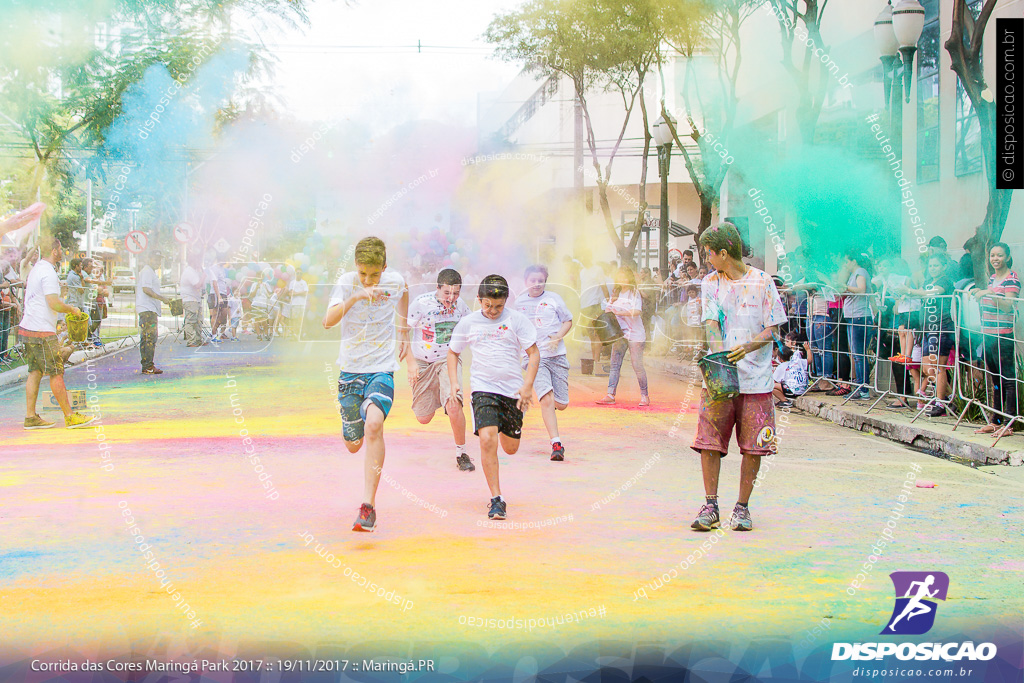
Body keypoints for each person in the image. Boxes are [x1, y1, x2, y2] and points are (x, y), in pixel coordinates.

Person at [690, 222, 786, 533]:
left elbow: (773, 329)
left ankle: (742, 507)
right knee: (709, 442)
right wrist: (719, 358)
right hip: (720, 378)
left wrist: (748, 347)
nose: (707, 259)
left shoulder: (763, 282)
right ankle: (710, 504)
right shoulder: (710, 283)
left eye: (709, 253)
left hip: (756, 378)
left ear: (724, 252)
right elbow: (711, 323)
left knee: (754, 446)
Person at [323, 236, 409, 532]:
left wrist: (404, 329)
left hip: (381, 368)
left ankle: (367, 506)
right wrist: (357, 295)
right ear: (356, 268)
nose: (369, 279)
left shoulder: (395, 280)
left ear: (384, 267)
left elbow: (405, 291)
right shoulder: (347, 283)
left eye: (374, 274)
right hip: (350, 371)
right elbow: (327, 321)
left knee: (374, 424)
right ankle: (350, 426)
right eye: (363, 273)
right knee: (353, 444)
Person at [447, 274, 539, 521]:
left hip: (512, 392)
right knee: (488, 439)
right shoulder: (468, 323)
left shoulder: (517, 320)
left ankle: (504, 426)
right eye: (487, 305)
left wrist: (528, 386)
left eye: (498, 306)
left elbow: (534, 354)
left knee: (510, 448)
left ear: (506, 301)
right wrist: (455, 383)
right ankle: (497, 499)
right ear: (479, 300)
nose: (492, 311)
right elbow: (453, 352)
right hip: (483, 389)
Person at [19, 236, 95, 429]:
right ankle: (70, 416)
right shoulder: (48, 272)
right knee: (56, 372)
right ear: (54, 251)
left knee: (35, 371)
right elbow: (53, 302)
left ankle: (30, 416)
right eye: (60, 249)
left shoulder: (37, 268)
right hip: (41, 330)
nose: (62, 252)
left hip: (29, 327)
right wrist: (71, 309)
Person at [406, 268, 474, 471]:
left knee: (454, 405)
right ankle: (437, 394)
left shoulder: (461, 306)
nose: (451, 298)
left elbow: (473, 326)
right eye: (447, 293)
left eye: (456, 293)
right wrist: (410, 363)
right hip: (422, 362)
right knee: (423, 418)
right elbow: (402, 333)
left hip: (448, 360)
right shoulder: (420, 303)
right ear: (437, 288)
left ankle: (461, 453)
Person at [514, 264, 573, 461]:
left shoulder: (554, 299)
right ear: (526, 282)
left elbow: (568, 321)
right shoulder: (519, 304)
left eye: (541, 281)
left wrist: (558, 336)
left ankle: (552, 405)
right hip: (534, 358)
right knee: (546, 399)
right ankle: (556, 444)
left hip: (557, 356)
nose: (537, 284)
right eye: (533, 280)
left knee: (561, 404)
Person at [972, 242, 1020, 438]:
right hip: (989, 333)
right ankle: (996, 421)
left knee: (1007, 379)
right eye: (993, 255)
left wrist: (990, 294)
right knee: (995, 379)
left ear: (1007, 257)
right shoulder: (993, 277)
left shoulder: (1012, 278)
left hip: (1003, 334)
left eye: (999, 255)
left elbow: (1009, 306)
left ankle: (1008, 423)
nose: (995, 259)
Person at [899, 255, 956, 416]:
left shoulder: (945, 281)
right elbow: (921, 294)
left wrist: (909, 290)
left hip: (941, 327)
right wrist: (905, 294)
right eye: (930, 265)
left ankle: (941, 403)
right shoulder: (927, 281)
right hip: (927, 328)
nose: (932, 268)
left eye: (936, 265)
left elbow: (930, 293)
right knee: (927, 367)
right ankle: (948, 397)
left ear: (944, 266)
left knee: (938, 367)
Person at [596, 267, 650, 406]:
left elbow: (637, 311)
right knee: (615, 364)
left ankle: (644, 395)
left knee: (637, 364)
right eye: (619, 277)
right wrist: (611, 305)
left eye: (624, 277)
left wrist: (620, 313)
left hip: (635, 334)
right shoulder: (617, 293)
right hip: (620, 334)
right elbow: (608, 311)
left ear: (630, 279)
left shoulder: (634, 293)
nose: (622, 280)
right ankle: (610, 394)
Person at [837, 250, 874, 400]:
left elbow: (861, 290)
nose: (845, 265)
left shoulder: (860, 271)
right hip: (853, 316)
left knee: (859, 355)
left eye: (847, 261)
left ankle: (863, 388)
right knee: (856, 354)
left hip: (859, 317)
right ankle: (860, 385)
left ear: (853, 261)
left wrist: (845, 287)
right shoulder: (854, 274)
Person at [137, 249, 172, 375]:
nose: (158, 262)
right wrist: (162, 298)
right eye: (156, 259)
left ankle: (147, 364)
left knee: (148, 338)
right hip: (147, 310)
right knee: (149, 338)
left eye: (159, 260)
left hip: (149, 309)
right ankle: (148, 365)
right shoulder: (147, 271)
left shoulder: (150, 272)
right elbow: (146, 289)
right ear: (149, 259)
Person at [578, 252, 610, 375]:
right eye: (582, 257)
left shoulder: (598, 270)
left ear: (589, 256)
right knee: (591, 335)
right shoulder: (582, 272)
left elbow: (603, 286)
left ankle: (597, 362)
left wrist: (609, 302)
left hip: (594, 306)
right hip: (584, 306)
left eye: (585, 256)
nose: (583, 258)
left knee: (597, 335)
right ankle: (594, 361)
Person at [179, 251, 206, 347]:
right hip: (190, 300)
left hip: (196, 299)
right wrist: (203, 276)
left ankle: (198, 339)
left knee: (199, 320)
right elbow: (197, 285)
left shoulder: (194, 271)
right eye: (198, 260)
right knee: (191, 321)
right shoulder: (189, 271)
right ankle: (191, 341)